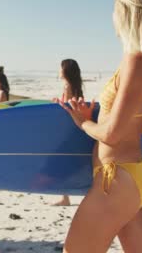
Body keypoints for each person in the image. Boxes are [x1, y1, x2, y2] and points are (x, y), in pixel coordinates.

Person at [58, 0, 142, 252]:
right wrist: (96, 113)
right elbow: (127, 115)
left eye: (116, 10)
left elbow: (113, 134)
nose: (113, 17)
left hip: (115, 181)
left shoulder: (136, 61)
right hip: (133, 180)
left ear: (128, 14)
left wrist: (83, 122)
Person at [52, 58, 84, 206]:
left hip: (67, 128)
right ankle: (66, 196)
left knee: (60, 162)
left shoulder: (67, 86)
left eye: (60, 68)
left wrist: (57, 103)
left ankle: (65, 198)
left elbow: (68, 107)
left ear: (65, 70)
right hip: (76, 127)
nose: (59, 70)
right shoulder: (76, 86)